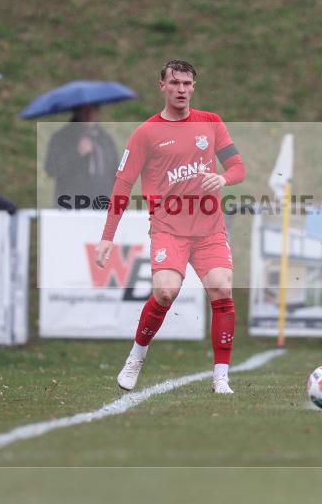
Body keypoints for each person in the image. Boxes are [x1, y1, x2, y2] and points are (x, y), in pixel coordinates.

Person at [94, 60, 246, 394]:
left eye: (188, 84)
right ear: (162, 86)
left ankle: (221, 377)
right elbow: (122, 185)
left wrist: (222, 177)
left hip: (209, 230)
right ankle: (136, 357)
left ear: (194, 87)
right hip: (168, 229)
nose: (182, 90)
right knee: (165, 292)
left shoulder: (211, 123)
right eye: (175, 83)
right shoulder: (146, 133)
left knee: (222, 289)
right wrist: (107, 238)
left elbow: (238, 167)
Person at [45, 103, 119, 209]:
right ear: (76, 112)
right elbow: (51, 169)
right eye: (84, 110)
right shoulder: (61, 138)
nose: (89, 114)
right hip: (72, 204)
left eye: (93, 109)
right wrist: (77, 153)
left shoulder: (105, 139)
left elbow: (115, 172)